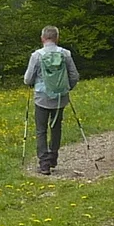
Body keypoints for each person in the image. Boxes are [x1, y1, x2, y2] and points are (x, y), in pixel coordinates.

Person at [23, 25, 80, 175]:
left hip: (41, 97)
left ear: (42, 38)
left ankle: (44, 164)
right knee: (56, 127)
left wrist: (32, 83)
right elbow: (74, 76)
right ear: (57, 38)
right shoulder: (65, 54)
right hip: (60, 97)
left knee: (41, 130)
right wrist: (67, 88)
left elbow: (28, 78)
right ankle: (53, 157)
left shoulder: (37, 55)